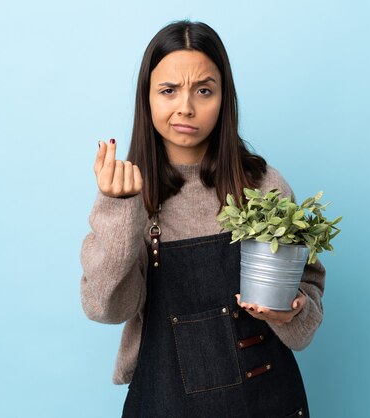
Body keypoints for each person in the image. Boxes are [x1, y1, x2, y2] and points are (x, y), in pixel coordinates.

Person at [80, 20, 325, 417]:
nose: (186, 107)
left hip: (267, 403)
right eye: (168, 90)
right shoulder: (128, 192)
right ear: (146, 98)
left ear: (224, 98)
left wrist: (293, 311)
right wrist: (119, 208)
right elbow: (105, 308)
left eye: (204, 90)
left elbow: (306, 309)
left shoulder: (263, 186)